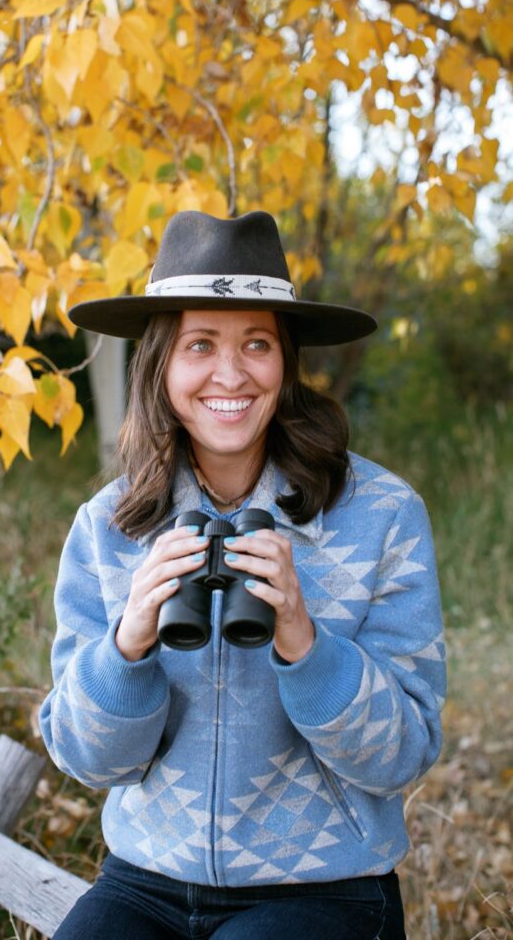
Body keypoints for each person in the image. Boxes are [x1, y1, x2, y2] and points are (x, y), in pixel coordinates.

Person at [38, 210, 446, 940]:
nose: (230, 373)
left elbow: (404, 754)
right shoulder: (109, 524)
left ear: (285, 361)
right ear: (161, 364)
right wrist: (127, 647)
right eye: (200, 344)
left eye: (256, 343)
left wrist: (306, 642)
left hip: (324, 888)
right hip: (146, 880)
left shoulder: (383, 514)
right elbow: (81, 758)